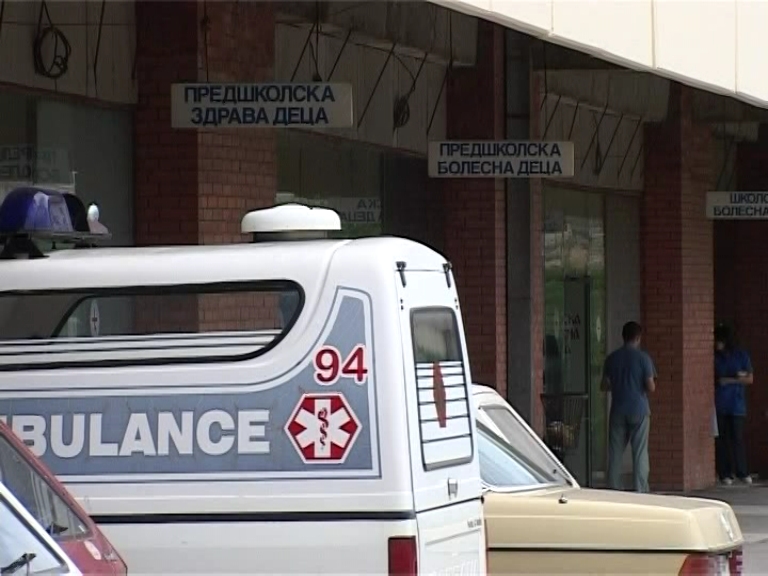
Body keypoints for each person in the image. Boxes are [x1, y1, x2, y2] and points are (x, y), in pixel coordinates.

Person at [601, 321, 657, 493]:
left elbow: (604, 385)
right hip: (639, 409)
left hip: (618, 409)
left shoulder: (612, 358)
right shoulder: (643, 358)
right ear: (638, 338)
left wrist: (619, 384)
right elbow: (650, 386)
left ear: (623, 336)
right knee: (640, 452)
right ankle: (640, 489)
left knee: (615, 452)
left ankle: (614, 487)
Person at [714, 323, 754, 486]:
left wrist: (730, 380)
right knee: (722, 439)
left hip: (736, 404)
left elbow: (749, 378)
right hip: (720, 403)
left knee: (737, 438)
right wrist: (736, 379)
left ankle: (742, 471)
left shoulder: (741, 355)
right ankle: (725, 473)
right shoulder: (715, 357)